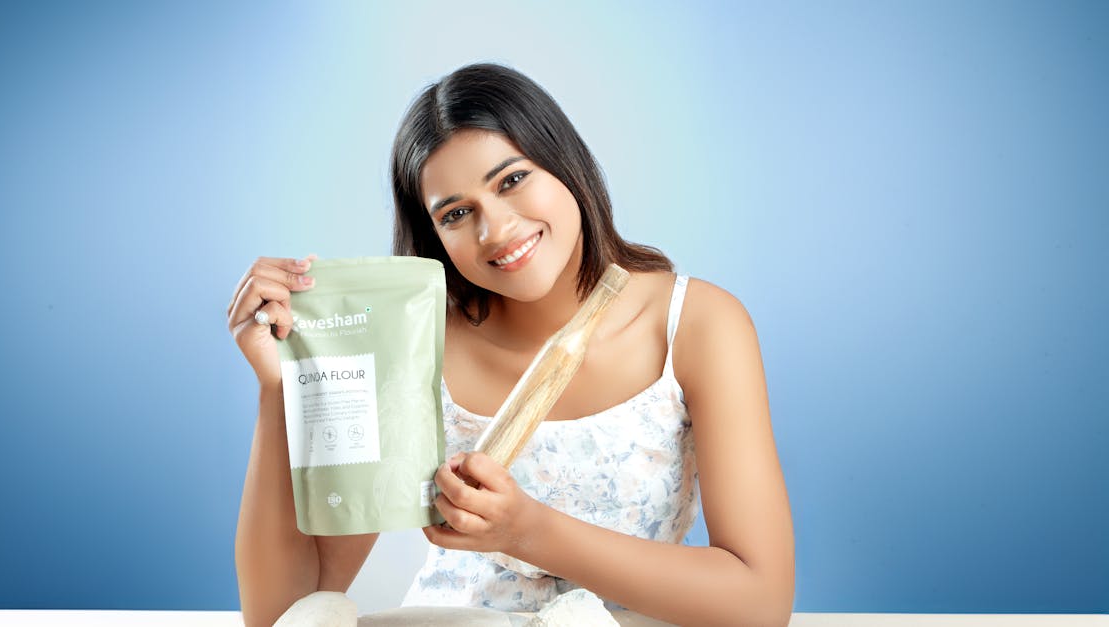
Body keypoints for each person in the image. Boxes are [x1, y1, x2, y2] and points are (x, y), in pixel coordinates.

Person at [230, 63, 795, 627]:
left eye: (512, 180)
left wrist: (530, 533)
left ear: (565, 164)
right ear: (434, 235)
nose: (495, 230)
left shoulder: (695, 325)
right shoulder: (415, 348)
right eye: (456, 213)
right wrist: (280, 392)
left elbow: (760, 601)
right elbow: (286, 615)